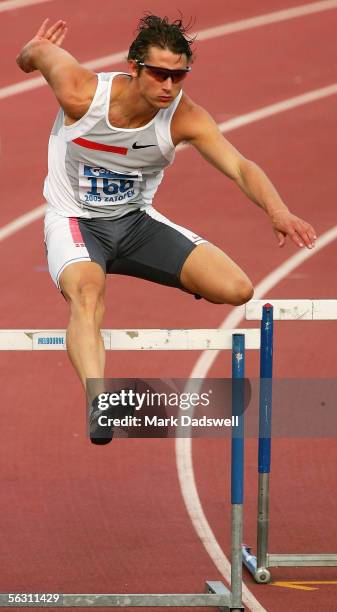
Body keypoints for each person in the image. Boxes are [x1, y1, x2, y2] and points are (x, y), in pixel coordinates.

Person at [17, 15, 316, 441]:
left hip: (137, 223)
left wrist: (277, 210)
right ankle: (99, 401)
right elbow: (37, 53)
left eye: (178, 76)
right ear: (134, 66)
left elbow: (240, 166)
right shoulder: (81, 93)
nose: (169, 86)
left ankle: (116, 264)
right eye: (159, 74)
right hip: (75, 222)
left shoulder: (183, 117)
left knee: (236, 289)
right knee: (87, 294)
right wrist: (29, 53)